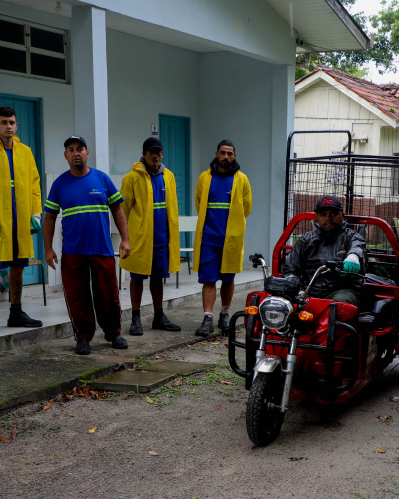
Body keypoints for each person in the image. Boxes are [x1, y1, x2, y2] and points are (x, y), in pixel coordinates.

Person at [43, 136, 130, 353]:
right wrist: (48, 249)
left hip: (101, 249)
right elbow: (50, 218)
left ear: (87, 153)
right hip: (73, 252)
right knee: (77, 296)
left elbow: (118, 210)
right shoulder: (60, 184)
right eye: (71, 150)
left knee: (108, 294)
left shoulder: (102, 179)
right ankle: (83, 337)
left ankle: (114, 334)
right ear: (65, 155)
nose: (76, 153)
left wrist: (125, 239)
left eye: (80, 149)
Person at [0, 106, 44, 335]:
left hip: (21, 219)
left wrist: (36, 213)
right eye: (4, 122)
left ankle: (16, 311)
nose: (8, 126)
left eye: (12, 122)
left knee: (18, 268)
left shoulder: (25, 151)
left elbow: (34, 184)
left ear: (16, 125)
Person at [119, 137, 182, 335]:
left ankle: (158, 316)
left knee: (158, 278)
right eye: (151, 152)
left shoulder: (168, 176)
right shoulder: (132, 177)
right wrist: (126, 236)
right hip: (141, 238)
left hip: (162, 238)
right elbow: (123, 209)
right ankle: (135, 318)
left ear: (162, 154)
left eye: (159, 152)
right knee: (137, 278)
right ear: (144, 154)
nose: (155, 155)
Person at [192, 140, 252, 336]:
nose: (226, 157)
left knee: (228, 278)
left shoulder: (242, 179)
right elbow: (199, 202)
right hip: (209, 238)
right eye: (223, 153)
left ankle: (225, 314)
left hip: (231, 238)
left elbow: (247, 207)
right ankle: (207, 317)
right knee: (209, 279)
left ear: (234, 156)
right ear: (216, 154)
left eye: (230, 153)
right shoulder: (205, 178)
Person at [281, 195, 366, 306]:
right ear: (317, 217)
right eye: (323, 215)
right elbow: (290, 269)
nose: (328, 218)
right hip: (309, 290)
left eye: (333, 214)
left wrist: (353, 257)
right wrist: (297, 289)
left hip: (340, 291)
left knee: (339, 306)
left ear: (342, 215)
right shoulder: (306, 240)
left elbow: (358, 246)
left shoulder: (352, 236)